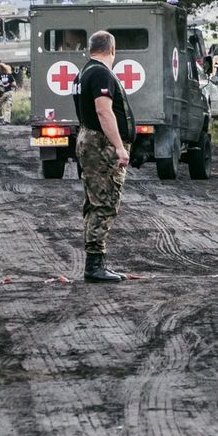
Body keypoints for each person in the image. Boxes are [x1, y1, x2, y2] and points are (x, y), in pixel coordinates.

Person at [74, 30, 131, 283]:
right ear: (112, 49)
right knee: (104, 202)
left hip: (90, 140)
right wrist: (119, 146)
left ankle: (95, 261)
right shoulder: (100, 73)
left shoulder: (85, 71)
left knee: (95, 201)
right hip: (100, 145)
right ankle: (95, 265)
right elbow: (104, 111)